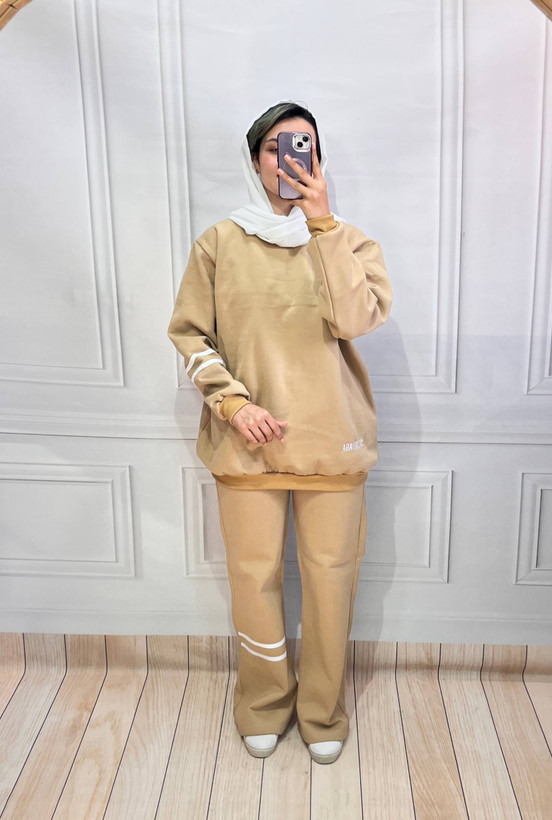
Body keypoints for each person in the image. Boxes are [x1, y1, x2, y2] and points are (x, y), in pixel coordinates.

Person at [168, 101, 392, 765]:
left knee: (330, 582)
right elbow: (190, 333)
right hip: (247, 443)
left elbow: (356, 321)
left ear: (318, 160)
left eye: (304, 148)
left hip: (332, 441)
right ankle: (264, 703)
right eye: (276, 147)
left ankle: (323, 710)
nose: (290, 160)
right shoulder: (219, 243)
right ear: (254, 158)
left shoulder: (350, 242)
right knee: (253, 579)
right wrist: (233, 404)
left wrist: (322, 225)